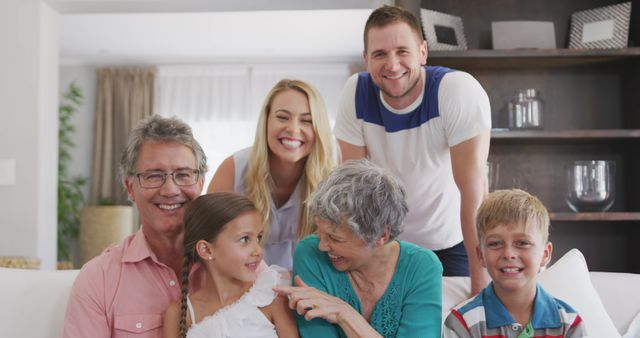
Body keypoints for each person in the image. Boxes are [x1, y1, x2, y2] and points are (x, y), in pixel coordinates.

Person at [333, 5, 492, 293]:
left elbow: (474, 191)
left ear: (423, 52)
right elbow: (354, 192)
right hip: (388, 245)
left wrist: (481, 278)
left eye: (402, 51)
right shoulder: (355, 93)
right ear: (366, 59)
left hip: (452, 241)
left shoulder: (456, 90)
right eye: (380, 54)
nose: (392, 65)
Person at [63, 115, 208, 337]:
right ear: (130, 188)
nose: (170, 189)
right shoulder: (98, 279)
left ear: (200, 183)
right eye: (153, 176)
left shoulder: (240, 261)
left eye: (183, 175)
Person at [274, 159, 443, 338]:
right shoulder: (310, 254)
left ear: (380, 236)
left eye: (334, 238)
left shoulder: (421, 267)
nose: (322, 245)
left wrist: (345, 315)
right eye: (319, 232)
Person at [207, 79, 336, 270]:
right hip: (240, 287)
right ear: (266, 121)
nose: (293, 129)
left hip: (305, 288)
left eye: (307, 121)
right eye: (283, 117)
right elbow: (207, 244)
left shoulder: (331, 181)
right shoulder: (233, 169)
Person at [443, 189, 587, 337]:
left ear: (545, 253)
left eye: (522, 243)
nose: (508, 254)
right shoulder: (461, 323)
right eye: (495, 244)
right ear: (481, 255)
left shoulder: (569, 324)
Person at [163, 192, 299, 338]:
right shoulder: (180, 314)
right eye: (244, 239)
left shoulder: (270, 296)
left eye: (258, 238)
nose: (258, 250)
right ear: (206, 250)